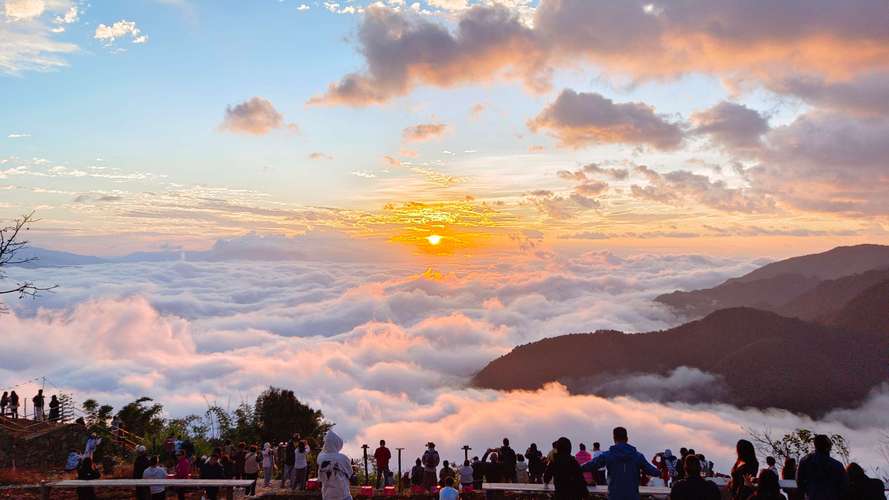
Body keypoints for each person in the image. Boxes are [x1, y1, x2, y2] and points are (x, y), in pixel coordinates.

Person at [581, 427, 660, 500]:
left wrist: (576, 467)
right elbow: (651, 470)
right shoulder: (637, 456)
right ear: (627, 439)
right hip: (632, 496)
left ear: (614, 438)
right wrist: (660, 472)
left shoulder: (608, 455)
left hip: (614, 496)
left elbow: (592, 465)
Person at [797, 435, 848, 500]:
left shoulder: (805, 461)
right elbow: (844, 487)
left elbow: (800, 482)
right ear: (828, 447)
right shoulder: (837, 465)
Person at [317, 430, 353, 500]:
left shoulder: (320, 458)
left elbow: (320, 478)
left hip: (327, 495)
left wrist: (326, 443)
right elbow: (350, 473)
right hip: (342, 494)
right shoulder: (343, 458)